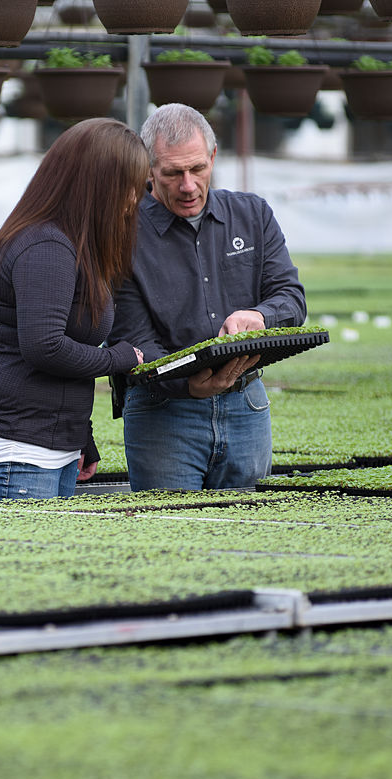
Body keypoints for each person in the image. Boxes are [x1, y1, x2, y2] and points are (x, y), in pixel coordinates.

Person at [107, 103, 307, 492]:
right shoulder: (123, 234)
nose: (188, 185)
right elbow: (130, 341)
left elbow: (291, 298)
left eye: (197, 168)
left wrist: (261, 316)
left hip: (246, 404)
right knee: (174, 539)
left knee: (252, 536)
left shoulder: (253, 215)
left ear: (213, 157)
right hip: (164, 413)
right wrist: (187, 386)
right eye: (172, 173)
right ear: (148, 170)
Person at [0, 118, 149, 501]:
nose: (133, 200)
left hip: (46, 442)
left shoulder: (72, 247)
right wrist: (118, 359)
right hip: (13, 445)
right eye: (127, 186)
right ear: (96, 183)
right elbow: (44, 346)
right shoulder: (46, 246)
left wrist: (80, 434)